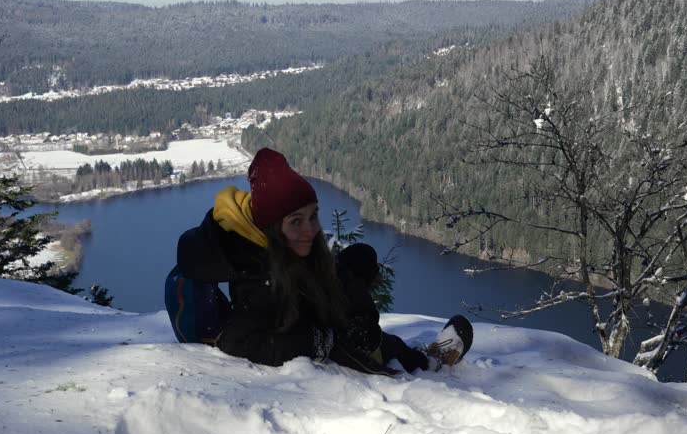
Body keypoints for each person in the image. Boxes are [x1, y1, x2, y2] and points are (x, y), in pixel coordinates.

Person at [176, 147, 468, 375]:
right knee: (379, 347)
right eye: (296, 221)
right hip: (314, 332)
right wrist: (319, 342)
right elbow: (237, 342)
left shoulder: (289, 245)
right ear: (274, 228)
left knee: (360, 259)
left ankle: (404, 352)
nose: (311, 229)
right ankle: (426, 365)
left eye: (313, 215)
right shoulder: (258, 278)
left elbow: (336, 276)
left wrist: (361, 315)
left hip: (315, 312)